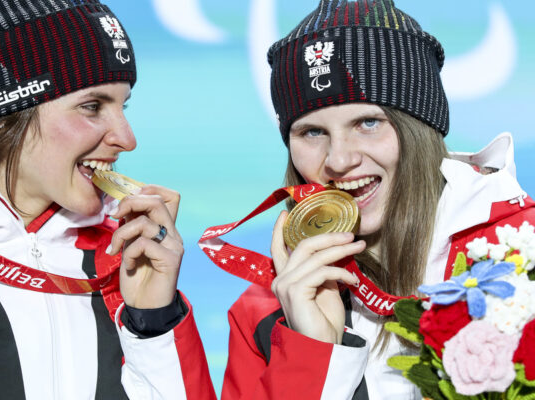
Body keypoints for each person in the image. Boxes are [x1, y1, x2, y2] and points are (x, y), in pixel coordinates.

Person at [217, 0, 535, 399]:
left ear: (420, 128)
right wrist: (313, 353)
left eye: (368, 123)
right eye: (312, 132)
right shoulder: (267, 309)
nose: (339, 160)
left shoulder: (522, 256)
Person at [0, 1, 214, 399]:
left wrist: (153, 319)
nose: (127, 139)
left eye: (123, 106)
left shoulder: (126, 258)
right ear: (5, 112)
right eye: (92, 106)